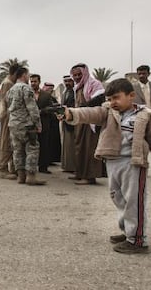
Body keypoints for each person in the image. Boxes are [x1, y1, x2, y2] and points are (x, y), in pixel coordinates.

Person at [63, 78, 150, 254]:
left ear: (131, 96)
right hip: (113, 161)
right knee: (119, 198)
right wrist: (70, 113)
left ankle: (138, 240)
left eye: (116, 98)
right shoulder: (108, 111)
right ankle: (128, 232)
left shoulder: (144, 115)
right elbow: (91, 113)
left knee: (134, 201)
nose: (112, 102)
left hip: (133, 164)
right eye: (110, 98)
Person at [7, 67, 45, 185]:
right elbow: (32, 108)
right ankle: (31, 176)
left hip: (13, 124)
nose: (29, 77)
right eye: (28, 75)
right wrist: (38, 124)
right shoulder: (26, 88)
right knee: (32, 148)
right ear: (23, 75)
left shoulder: (11, 90)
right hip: (27, 125)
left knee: (17, 150)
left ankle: (21, 176)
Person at [70, 63, 105, 185]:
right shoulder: (78, 87)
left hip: (90, 121)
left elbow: (100, 99)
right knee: (79, 147)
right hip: (80, 121)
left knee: (89, 148)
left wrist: (84, 107)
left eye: (79, 74)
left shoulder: (94, 84)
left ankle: (90, 177)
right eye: (74, 75)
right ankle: (80, 174)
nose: (77, 77)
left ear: (84, 73)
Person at [0, 64, 19, 180]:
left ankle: (12, 168)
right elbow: (7, 101)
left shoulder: (11, 84)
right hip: (7, 115)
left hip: (11, 115)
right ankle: (3, 169)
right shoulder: (7, 84)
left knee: (11, 142)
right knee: (5, 142)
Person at [30, 74, 53, 174]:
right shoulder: (27, 94)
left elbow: (51, 108)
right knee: (31, 146)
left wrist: (41, 111)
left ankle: (43, 167)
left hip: (44, 124)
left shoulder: (46, 95)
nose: (33, 83)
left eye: (35, 81)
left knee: (44, 146)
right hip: (31, 125)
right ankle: (31, 167)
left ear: (39, 82)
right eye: (31, 81)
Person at [60, 75, 76, 173]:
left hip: (74, 121)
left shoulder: (74, 92)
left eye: (69, 81)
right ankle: (67, 166)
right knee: (66, 144)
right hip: (65, 121)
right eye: (65, 82)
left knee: (72, 145)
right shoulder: (65, 92)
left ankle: (73, 167)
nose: (67, 83)